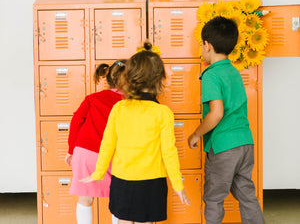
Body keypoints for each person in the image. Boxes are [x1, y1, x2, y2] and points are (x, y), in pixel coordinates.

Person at [80, 41, 190, 224]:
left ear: (129, 78)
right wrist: (178, 185)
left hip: (122, 181)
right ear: (160, 80)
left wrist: (98, 173)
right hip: (151, 184)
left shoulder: (119, 108)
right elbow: (169, 153)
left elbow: (107, 144)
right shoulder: (163, 113)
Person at [188, 16, 265, 224]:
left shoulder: (211, 75)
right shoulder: (234, 71)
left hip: (224, 147)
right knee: (246, 194)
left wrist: (196, 134)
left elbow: (216, 113)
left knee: (214, 198)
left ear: (208, 45)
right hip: (245, 143)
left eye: (201, 45)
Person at [65, 60, 126, 224]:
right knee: (118, 202)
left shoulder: (93, 98)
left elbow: (76, 122)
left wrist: (71, 150)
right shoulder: (129, 104)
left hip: (85, 153)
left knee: (85, 200)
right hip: (115, 156)